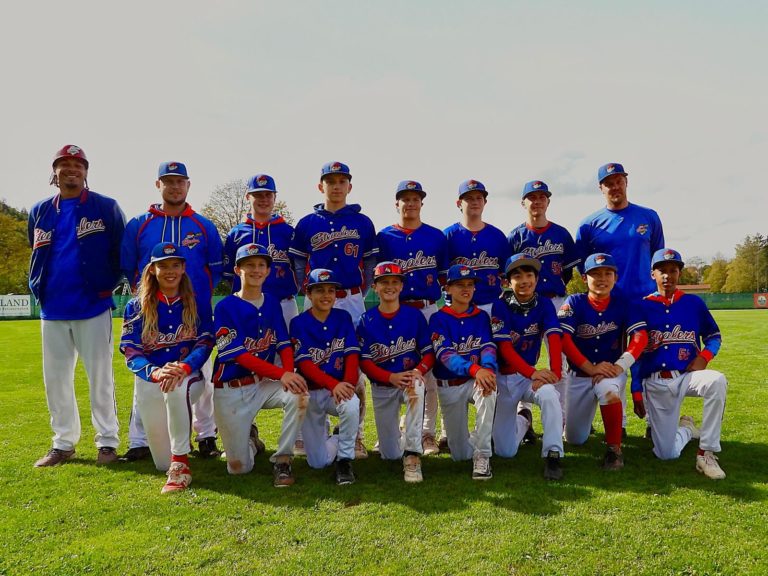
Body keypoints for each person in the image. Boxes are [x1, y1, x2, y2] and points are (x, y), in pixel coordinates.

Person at [121, 161, 224, 461]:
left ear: (188, 185)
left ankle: (205, 435)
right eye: (168, 181)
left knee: (201, 377)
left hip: (194, 310)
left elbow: (215, 270)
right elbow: (130, 267)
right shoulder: (140, 223)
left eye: (180, 181)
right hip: (152, 309)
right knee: (146, 376)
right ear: (158, 185)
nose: (175, 186)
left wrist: (195, 295)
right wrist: (148, 297)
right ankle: (138, 440)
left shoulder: (203, 225)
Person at [29, 144, 124, 467]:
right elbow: (37, 251)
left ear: (86, 172)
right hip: (53, 307)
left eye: (78, 164)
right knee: (56, 380)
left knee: (100, 378)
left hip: (92, 305)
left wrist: (105, 285)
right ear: (54, 172)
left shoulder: (105, 207)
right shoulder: (40, 210)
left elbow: (119, 252)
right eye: (64, 164)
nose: (72, 169)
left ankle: (107, 442)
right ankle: (63, 443)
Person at [290, 161, 377, 459]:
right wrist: (306, 290)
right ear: (320, 186)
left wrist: (359, 293)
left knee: (355, 363)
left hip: (351, 298)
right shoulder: (306, 223)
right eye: (331, 181)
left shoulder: (363, 222)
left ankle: (355, 435)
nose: (336, 186)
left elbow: (369, 263)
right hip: (316, 297)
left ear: (349, 187)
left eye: (342, 181)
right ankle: (312, 431)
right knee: (312, 358)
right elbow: (299, 263)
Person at [119, 243, 214, 493]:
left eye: (175, 265)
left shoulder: (197, 302)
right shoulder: (136, 306)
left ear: (183, 268)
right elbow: (130, 350)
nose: (169, 270)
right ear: (152, 270)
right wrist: (155, 371)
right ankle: (175, 452)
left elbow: (205, 342)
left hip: (189, 375)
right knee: (161, 461)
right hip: (152, 379)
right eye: (163, 265)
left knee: (176, 389)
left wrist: (184, 366)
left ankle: (180, 465)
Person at [213, 243, 307, 487]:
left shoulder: (272, 302)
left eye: (261, 265)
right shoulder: (224, 307)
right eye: (249, 265)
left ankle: (283, 459)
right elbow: (239, 355)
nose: (256, 270)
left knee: (298, 395)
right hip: (231, 388)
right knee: (238, 469)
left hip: (263, 384)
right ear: (237, 270)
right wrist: (281, 373)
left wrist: (288, 373)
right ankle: (251, 442)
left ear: (267, 271)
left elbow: (284, 343)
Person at [636, 249, 728, 479]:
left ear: (679, 273)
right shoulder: (642, 307)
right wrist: (636, 390)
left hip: (687, 376)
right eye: (662, 271)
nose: (668, 276)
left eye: (673, 270)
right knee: (666, 454)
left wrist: (704, 357)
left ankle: (706, 452)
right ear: (653, 274)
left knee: (716, 380)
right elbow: (634, 353)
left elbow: (714, 336)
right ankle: (687, 428)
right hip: (656, 382)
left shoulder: (693, 303)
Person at [376, 180, 447, 455]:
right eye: (405, 199)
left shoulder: (436, 237)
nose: (410, 203)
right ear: (397, 204)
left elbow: (443, 277)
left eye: (415, 198)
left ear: (421, 203)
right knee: (391, 365)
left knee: (428, 374)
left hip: (428, 308)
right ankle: (391, 432)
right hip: (396, 308)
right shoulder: (384, 237)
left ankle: (427, 432)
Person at [558, 253, 648, 470]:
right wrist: (590, 367)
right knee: (575, 439)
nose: (602, 278)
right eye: (595, 274)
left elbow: (640, 336)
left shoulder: (624, 302)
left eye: (608, 273)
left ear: (615, 277)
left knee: (609, 390)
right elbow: (563, 339)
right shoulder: (574, 302)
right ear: (584, 279)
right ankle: (583, 424)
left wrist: (620, 366)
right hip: (579, 375)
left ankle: (614, 449)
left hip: (609, 371)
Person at [508, 179, 579, 434]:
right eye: (532, 198)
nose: (536, 202)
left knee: (560, 358)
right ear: (523, 203)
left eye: (541, 197)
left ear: (547, 201)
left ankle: (559, 418)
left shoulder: (560, 233)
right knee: (523, 355)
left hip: (555, 301)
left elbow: (570, 271)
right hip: (524, 303)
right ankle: (521, 413)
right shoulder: (516, 236)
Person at [357, 262, 434, 483]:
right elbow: (365, 362)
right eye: (384, 282)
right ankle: (404, 428)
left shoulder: (414, 316)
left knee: (417, 385)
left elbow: (428, 353)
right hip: (383, 385)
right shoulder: (366, 320)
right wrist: (389, 377)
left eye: (394, 282)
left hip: (409, 379)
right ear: (375, 287)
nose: (389, 286)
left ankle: (412, 455)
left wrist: (418, 370)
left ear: (401, 286)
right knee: (390, 454)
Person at [490, 254, 564, 480]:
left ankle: (553, 453)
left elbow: (554, 339)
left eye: (529, 275)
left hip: (529, 379)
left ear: (537, 278)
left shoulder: (544, 304)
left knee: (550, 395)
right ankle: (524, 418)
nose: (524, 280)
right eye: (517, 276)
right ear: (507, 282)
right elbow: (505, 349)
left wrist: (555, 374)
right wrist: (532, 372)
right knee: (505, 451)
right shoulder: (500, 306)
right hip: (505, 378)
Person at [290, 269, 361, 485]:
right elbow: (304, 364)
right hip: (310, 393)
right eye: (319, 290)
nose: (326, 295)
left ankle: (345, 461)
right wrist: (333, 384)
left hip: (337, 390)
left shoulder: (343, 317)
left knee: (351, 404)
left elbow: (351, 354)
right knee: (318, 463)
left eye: (331, 290)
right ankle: (341, 436)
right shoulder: (298, 322)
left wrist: (346, 386)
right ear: (309, 294)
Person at [429, 265, 497, 480]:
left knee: (488, 390)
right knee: (459, 455)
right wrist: (475, 369)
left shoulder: (481, 317)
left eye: (470, 285)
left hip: (473, 382)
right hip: (449, 386)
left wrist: (486, 369)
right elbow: (445, 355)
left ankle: (483, 454)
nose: (466, 289)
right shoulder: (438, 319)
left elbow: (488, 346)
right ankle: (480, 440)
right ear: (447, 288)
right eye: (460, 285)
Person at [444, 179, 509, 316]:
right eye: (469, 198)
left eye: (479, 198)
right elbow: (441, 275)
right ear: (459, 203)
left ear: (485, 202)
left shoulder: (497, 236)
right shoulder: (448, 235)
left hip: (492, 304)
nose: (475, 202)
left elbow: (505, 274)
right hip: (457, 307)